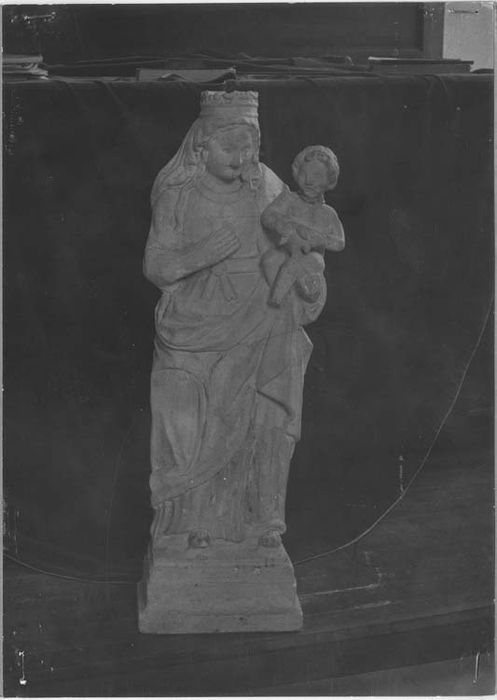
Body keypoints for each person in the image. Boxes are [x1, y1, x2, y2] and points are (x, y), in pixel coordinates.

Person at [143, 91, 329, 550]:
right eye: (230, 147)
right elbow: (157, 267)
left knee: (268, 411)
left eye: (249, 147)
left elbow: (301, 248)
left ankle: (261, 520)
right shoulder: (178, 194)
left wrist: (310, 281)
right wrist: (203, 253)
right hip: (194, 321)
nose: (241, 158)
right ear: (201, 145)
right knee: (184, 401)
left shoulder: (267, 185)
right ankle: (192, 521)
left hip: (263, 313)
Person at [261, 145, 345, 307]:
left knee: (296, 264)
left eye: (317, 176)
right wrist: (281, 224)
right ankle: (285, 303)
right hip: (286, 250)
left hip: (312, 257)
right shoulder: (289, 199)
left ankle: (279, 299)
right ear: (296, 173)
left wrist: (319, 239)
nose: (308, 181)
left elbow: (340, 242)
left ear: (330, 180)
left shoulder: (328, 213)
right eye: (303, 174)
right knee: (269, 260)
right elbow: (267, 216)